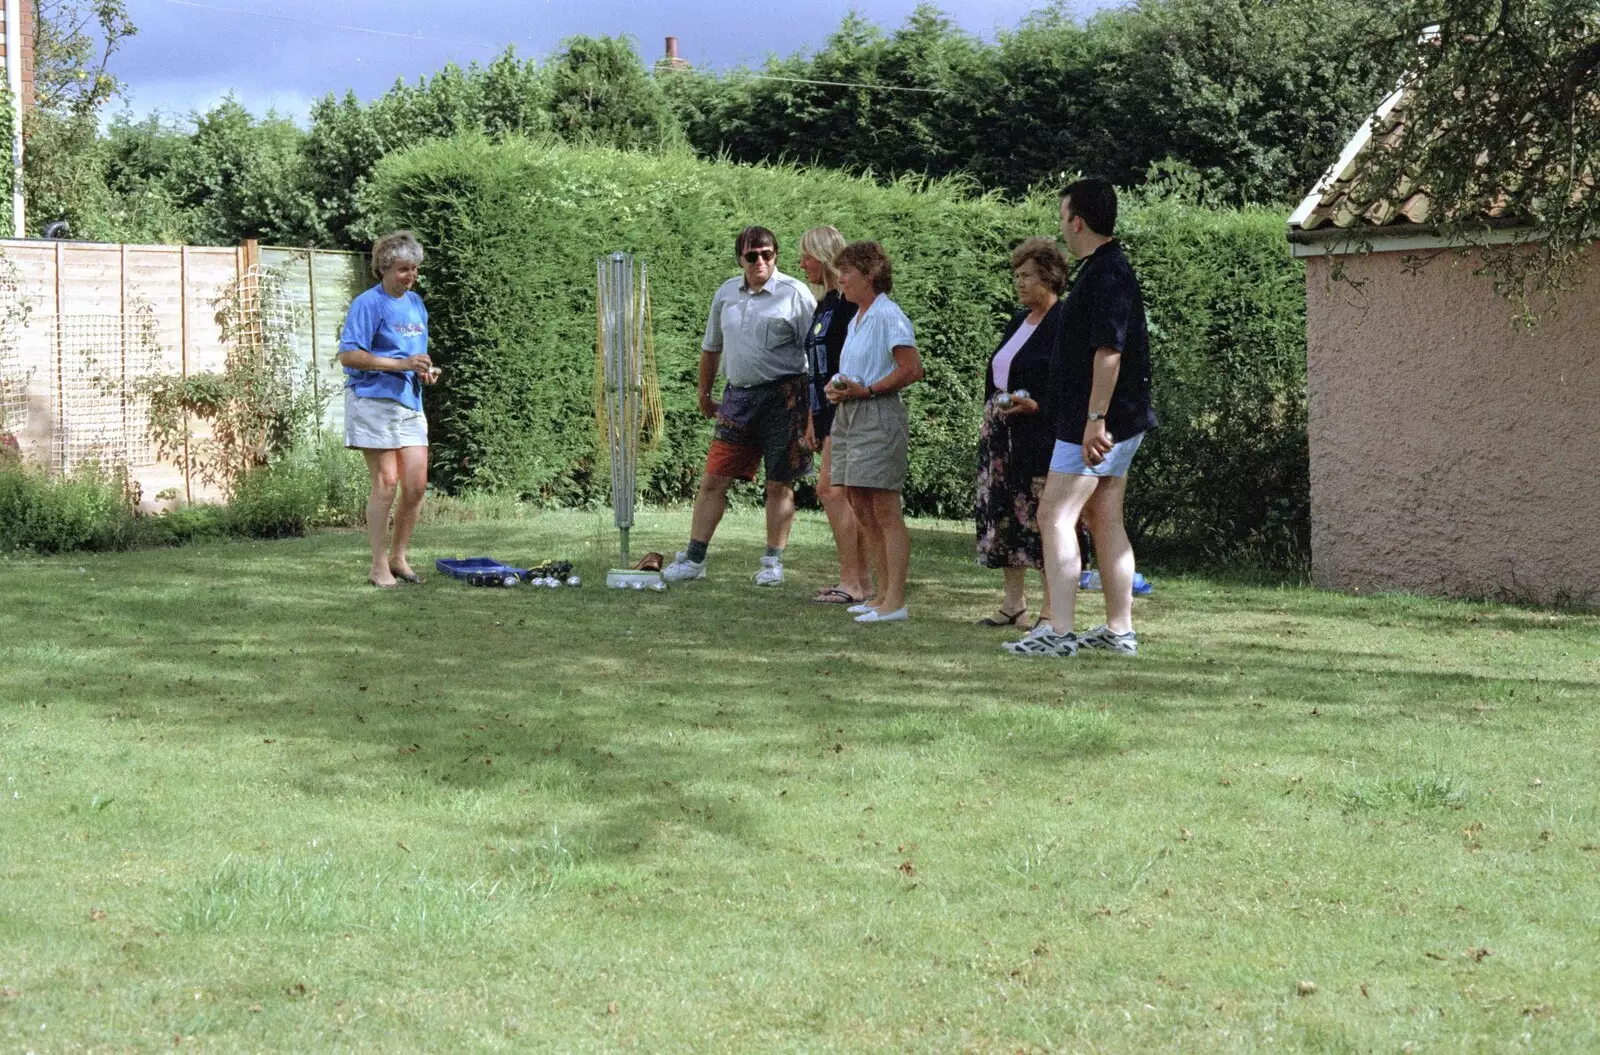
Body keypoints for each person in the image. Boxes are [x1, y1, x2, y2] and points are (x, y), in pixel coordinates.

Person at [1006, 178, 1157, 657]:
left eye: (1062, 216)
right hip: (1112, 417)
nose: (1061, 228)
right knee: (1103, 514)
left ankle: (1059, 632)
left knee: (1055, 514)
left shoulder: (1107, 274)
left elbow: (1109, 352)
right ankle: (1119, 631)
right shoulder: (1102, 269)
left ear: (1078, 221)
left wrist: (1095, 419)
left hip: (1095, 421)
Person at [663, 226, 818, 585]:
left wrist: (813, 412)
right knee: (713, 479)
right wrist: (704, 394)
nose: (760, 261)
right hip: (738, 397)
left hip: (786, 398)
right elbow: (711, 348)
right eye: (752, 255)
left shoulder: (796, 295)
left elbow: (815, 357)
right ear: (740, 259)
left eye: (767, 254)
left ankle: (772, 564)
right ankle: (694, 560)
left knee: (779, 483)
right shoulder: (725, 294)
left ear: (776, 256)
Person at [826, 241, 925, 623]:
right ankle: (881, 595)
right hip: (851, 414)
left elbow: (911, 369)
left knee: (884, 506)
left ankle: (895, 601)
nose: (841, 280)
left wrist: (866, 390)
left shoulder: (888, 315)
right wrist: (839, 387)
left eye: (846, 272)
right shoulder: (857, 318)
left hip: (877, 414)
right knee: (859, 502)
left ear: (869, 274)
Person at [337, 230, 440, 588]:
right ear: (383, 268)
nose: (410, 276)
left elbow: (413, 357)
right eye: (402, 269)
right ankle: (378, 566)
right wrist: (401, 366)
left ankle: (399, 557)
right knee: (386, 482)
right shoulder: (368, 303)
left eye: (413, 269)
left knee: (415, 485)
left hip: (409, 401)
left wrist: (425, 370)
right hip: (373, 400)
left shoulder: (416, 305)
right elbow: (349, 355)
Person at [976, 237, 1069, 628]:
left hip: (1040, 435)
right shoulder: (1018, 319)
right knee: (1004, 515)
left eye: (1027, 276)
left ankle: (1051, 610)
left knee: (1042, 518)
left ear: (1049, 277)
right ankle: (1013, 603)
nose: (1020, 283)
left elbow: (1067, 384)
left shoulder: (1064, 323)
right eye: (1016, 276)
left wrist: (1038, 406)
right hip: (1002, 435)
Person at [797, 225, 869, 605]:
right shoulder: (824, 304)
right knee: (838, 493)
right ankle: (858, 581)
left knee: (832, 491)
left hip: (846, 411)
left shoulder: (846, 305)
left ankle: (855, 582)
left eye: (807, 255)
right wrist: (811, 417)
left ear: (824, 256)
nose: (801, 262)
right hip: (823, 412)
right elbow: (816, 367)